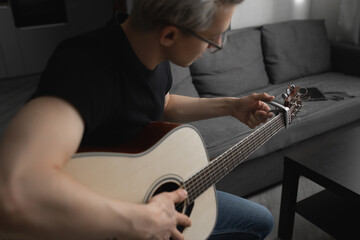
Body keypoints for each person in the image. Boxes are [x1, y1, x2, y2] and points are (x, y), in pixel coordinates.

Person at [0, 0, 275, 239]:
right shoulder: (84, 68)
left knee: (260, 220)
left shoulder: (154, 54)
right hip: (99, 221)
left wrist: (232, 106)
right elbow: (14, 191)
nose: (218, 46)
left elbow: (163, 102)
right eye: (214, 39)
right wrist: (140, 221)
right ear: (169, 35)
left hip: (149, 191)